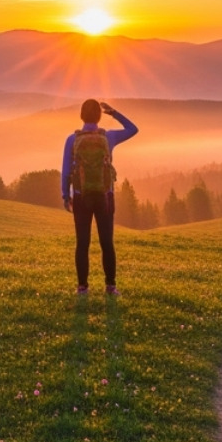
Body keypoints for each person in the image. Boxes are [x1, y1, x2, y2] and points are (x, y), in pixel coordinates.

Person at [62, 99, 138, 295]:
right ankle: (111, 287)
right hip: (105, 195)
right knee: (106, 242)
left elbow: (65, 171)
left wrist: (65, 195)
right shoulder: (109, 137)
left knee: (82, 243)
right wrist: (113, 112)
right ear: (98, 116)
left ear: (81, 116)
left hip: (81, 196)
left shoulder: (72, 140)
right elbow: (133, 129)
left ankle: (82, 287)